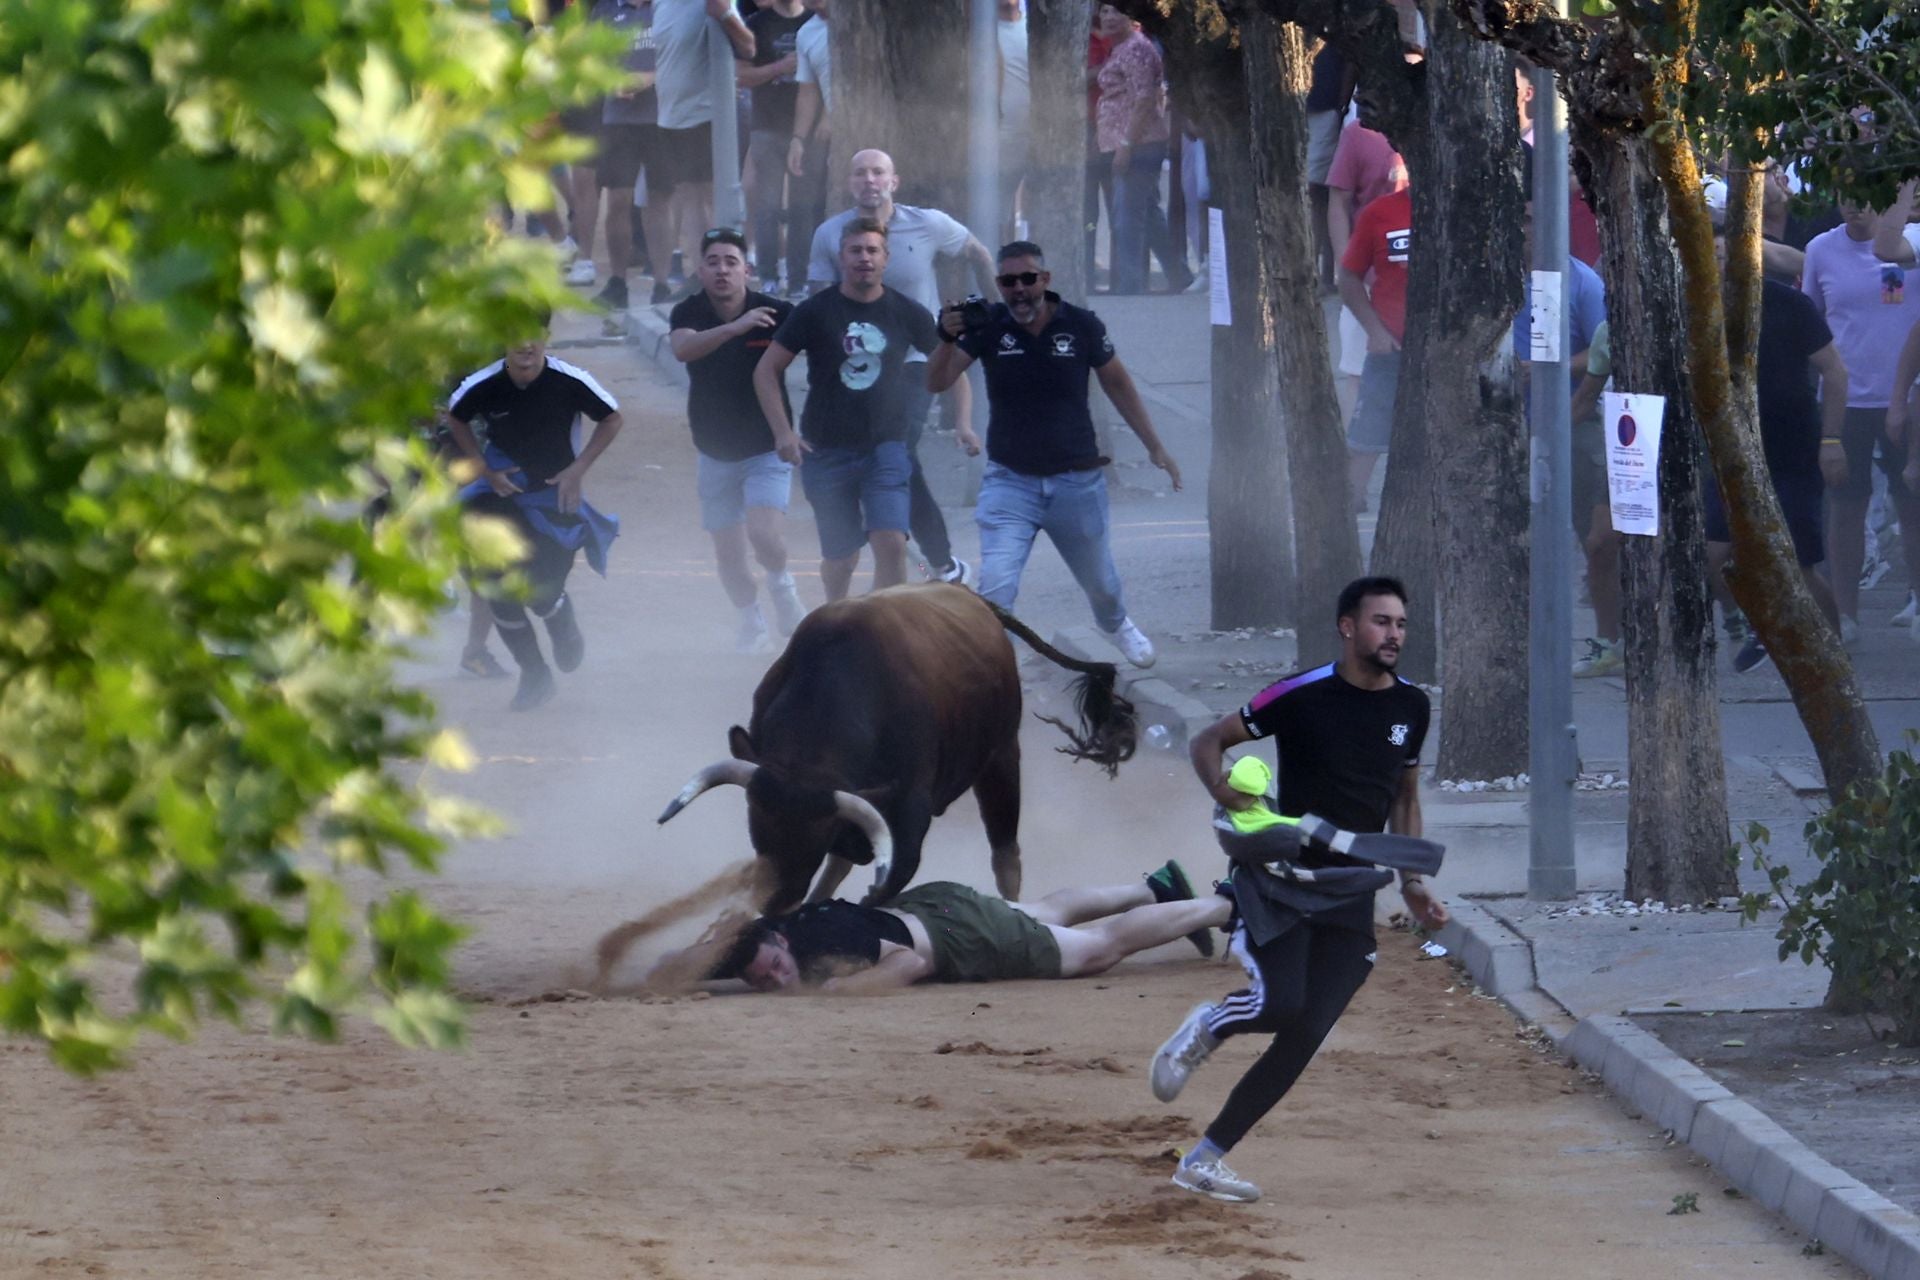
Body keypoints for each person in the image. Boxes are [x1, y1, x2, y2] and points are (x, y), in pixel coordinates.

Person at [1150, 576, 1449, 1205]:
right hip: (1282, 883)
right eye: (1381, 622)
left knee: (1305, 1033)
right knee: (1279, 1005)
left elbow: (1405, 797)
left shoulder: (1412, 708)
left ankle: (1204, 1160)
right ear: (1347, 627)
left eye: (1400, 624)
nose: (1393, 634)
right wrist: (1223, 791)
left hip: (1350, 894)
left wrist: (1413, 881)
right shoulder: (1302, 693)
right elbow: (1210, 740)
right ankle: (1209, 1025)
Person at [925, 240, 1181, 669]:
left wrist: (1155, 445)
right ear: (999, 286)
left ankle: (1116, 625)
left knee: (1101, 584)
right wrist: (946, 339)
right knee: (997, 587)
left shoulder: (1081, 325)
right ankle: (992, 666)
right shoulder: (988, 326)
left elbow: (1118, 383)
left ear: (1045, 279)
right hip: (1010, 481)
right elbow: (936, 382)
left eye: (1028, 278)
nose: (1019, 289)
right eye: (1008, 281)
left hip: (1076, 481)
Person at [808, 149, 996, 586]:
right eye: (860, 173)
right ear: (849, 183)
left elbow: (978, 253)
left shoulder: (927, 223)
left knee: (898, 449)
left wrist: (996, 312)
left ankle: (940, 561)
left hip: (914, 360)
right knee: (878, 454)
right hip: (855, 364)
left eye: (878, 173)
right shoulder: (830, 234)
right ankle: (898, 539)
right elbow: (820, 302)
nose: (869, 180)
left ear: (894, 181)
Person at [754, 218, 940, 600]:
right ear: (841, 258)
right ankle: (836, 618)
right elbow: (766, 370)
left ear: (886, 258)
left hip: (886, 445)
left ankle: (882, 630)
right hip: (826, 449)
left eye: (872, 250)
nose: (864, 258)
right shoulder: (813, 311)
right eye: (855, 250)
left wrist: (967, 421)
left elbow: (951, 366)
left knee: (890, 542)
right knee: (842, 560)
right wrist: (783, 432)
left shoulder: (907, 311)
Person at [447, 312, 624, 711]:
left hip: (552, 496)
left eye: (533, 335)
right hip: (499, 495)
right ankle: (534, 674)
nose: (524, 344)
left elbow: (612, 418)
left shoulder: (570, 381)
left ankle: (560, 617)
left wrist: (578, 470)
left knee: (542, 589)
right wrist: (484, 470)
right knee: (498, 585)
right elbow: (456, 419)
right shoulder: (483, 384)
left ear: (545, 337)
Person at [700, 861, 1224, 993]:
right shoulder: (763, 938)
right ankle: (1156, 885)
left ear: (781, 940)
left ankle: (1231, 903)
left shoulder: (826, 942)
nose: (775, 979)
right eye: (761, 980)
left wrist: (845, 987)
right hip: (937, 906)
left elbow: (911, 962)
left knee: (1095, 951)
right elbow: (697, 965)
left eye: (774, 966)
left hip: (952, 936)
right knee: (1041, 914)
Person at [1702, 231, 1849, 672]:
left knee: (1798, 564)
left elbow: (1834, 373)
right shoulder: (1700, 307)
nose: (1719, 262)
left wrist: (1831, 441)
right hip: (1730, 450)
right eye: (1709, 254)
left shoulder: (1789, 303)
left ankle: (1833, 652)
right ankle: (1755, 623)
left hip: (1793, 448)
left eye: (1726, 253)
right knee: (1711, 553)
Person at [669, 228, 809, 651]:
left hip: (766, 447)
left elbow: (820, 341)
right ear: (700, 269)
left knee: (764, 535)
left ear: (746, 269)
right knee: (728, 557)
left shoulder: (778, 311)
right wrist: (735, 328)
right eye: (713, 262)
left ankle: (783, 588)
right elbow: (683, 350)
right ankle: (751, 621)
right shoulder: (688, 312)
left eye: (731, 261)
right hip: (713, 451)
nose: (723, 270)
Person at [1801, 197, 1920, 645]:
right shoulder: (1820, 250)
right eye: (1845, 199)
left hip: (1907, 396)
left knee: (1913, 502)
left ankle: (1916, 599)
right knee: (1846, 504)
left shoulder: (1908, 242)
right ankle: (1845, 615)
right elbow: (1810, 319)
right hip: (1845, 398)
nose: (1854, 208)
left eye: (1865, 199)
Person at [651, 0, 756, 303]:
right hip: (671, 116)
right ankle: (701, 277)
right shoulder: (661, 3)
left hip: (709, 115)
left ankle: (731, 278)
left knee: (716, 199)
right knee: (689, 197)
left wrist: (724, 14)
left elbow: (748, 47)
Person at [1093, 5, 1191, 295]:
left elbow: (1145, 99)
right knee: (1147, 214)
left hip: (1139, 144)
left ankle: (1130, 286)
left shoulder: (1137, 48)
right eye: (1105, 11)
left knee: (1127, 218)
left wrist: (1126, 145)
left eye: (1117, 11)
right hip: (1126, 143)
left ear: (1133, 15)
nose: (1109, 17)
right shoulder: (1121, 48)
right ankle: (1180, 274)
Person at [1336, 184, 1411, 513]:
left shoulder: (1467, 208)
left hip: (1446, 358)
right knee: (1363, 443)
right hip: (1389, 351)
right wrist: (1374, 330)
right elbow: (1348, 277)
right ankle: (1345, 518)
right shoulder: (1380, 212)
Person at [737, 0, 809, 291]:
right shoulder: (755, 24)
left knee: (803, 206)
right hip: (767, 127)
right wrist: (780, 67)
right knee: (766, 204)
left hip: (807, 129)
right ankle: (768, 276)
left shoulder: (815, 21)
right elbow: (741, 76)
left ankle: (799, 277)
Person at [785, 0, 832, 302]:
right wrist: (797, 138)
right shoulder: (807, 32)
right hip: (825, 138)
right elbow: (808, 91)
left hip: (870, 132)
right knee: (811, 205)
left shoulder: (863, 22)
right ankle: (809, 280)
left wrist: (833, 116)